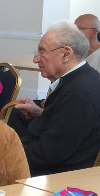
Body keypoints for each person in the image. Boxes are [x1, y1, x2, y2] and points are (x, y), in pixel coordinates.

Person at [9, 21, 100, 176]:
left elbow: (49, 154)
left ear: (66, 54)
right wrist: (41, 112)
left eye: (42, 51)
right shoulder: (83, 79)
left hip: (55, 180)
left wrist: (5, 154)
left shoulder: (79, 93)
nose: (35, 59)